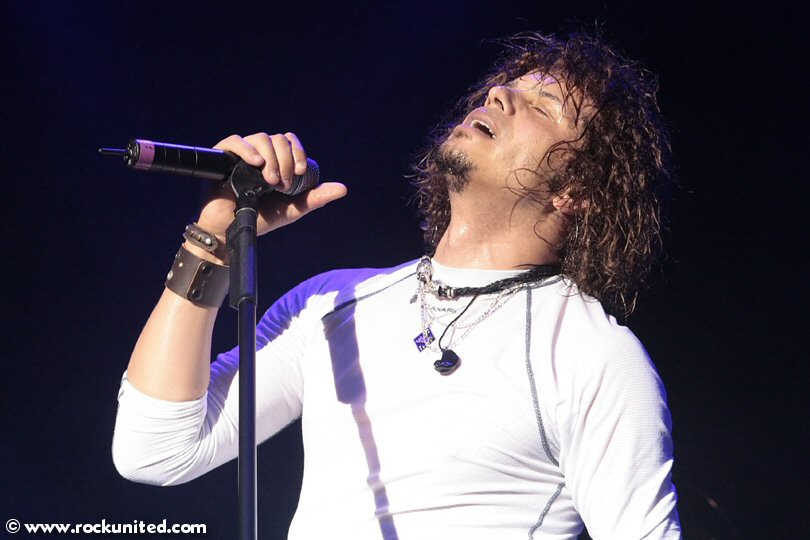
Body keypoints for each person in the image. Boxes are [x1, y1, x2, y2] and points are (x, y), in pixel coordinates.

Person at [113, 31, 681, 539]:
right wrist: (212, 240)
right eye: (505, 87)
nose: (499, 95)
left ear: (576, 191)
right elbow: (156, 451)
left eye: (541, 105)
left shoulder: (589, 353)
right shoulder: (331, 304)